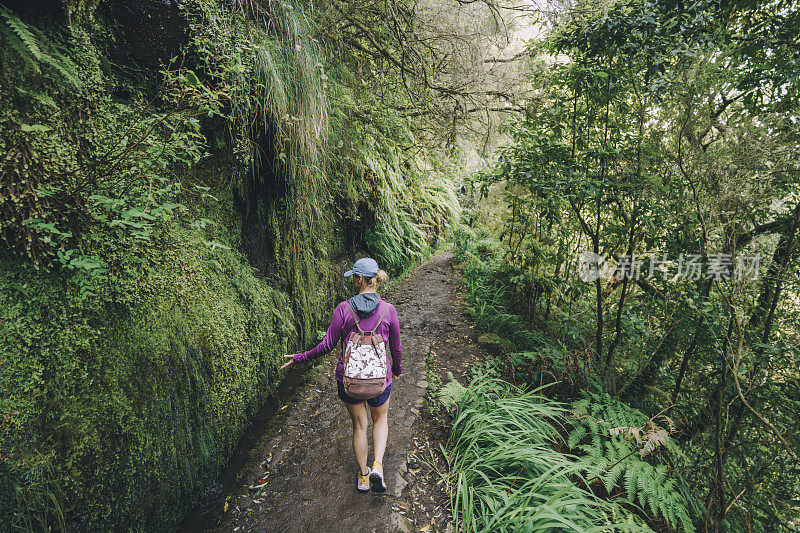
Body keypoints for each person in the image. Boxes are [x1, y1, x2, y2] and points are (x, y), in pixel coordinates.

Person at [281, 257, 402, 493]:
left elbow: (326, 346)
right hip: (380, 381)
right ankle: (378, 465)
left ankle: (364, 476)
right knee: (380, 419)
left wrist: (300, 357)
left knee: (359, 425)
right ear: (375, 279)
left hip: (349, 381)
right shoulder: (389, 310)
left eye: (353, 277)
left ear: (359, 279)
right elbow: (395, 348)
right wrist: (395, 370)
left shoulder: (343, 309)